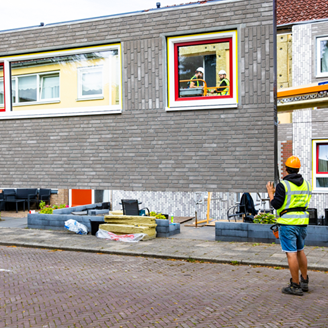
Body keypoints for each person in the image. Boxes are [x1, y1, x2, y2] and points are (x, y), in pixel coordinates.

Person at [266, 156, 312, 296]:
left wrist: (270, 193)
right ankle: (304, 281)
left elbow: (276, 205)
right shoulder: (307, 184)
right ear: (298, 169)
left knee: (291, 253)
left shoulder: (283, 185)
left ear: (286, 169)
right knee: (300, 250)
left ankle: (295, 285)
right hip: (302, 222)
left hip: (288, 223)